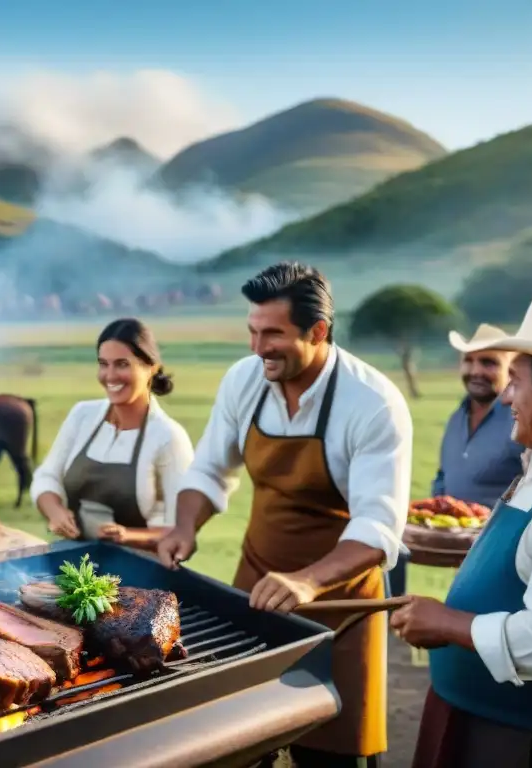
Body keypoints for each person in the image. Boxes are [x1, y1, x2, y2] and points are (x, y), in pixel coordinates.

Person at [158, 262, 413, 768]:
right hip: (257, 589)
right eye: (252, 332)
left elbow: (379, 528)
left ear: (318, 331)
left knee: (330, 755)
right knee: (240, 744)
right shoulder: (244, 380)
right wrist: (184, 526)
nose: (257, 348)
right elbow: (211, 468)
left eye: (272, 334)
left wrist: (306, 582)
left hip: (340, 605)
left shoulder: (373, 403)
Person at [392, 298, 532, 768]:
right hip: (475, 713)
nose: (506, 398)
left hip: (517, 737)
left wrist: (448, 624)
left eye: (513, 382)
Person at [29, 318, 194, 551]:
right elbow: (46, 477)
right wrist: (55, 512)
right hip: (74, 564)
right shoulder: (82, 416)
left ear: (151, 368)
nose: (110, 375)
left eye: (122, 364)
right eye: (103, 364)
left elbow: (181, 530)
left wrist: (127, 536)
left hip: (139, 572)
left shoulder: (168, 437)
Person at [431, 322, 525, 507]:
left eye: (488, 363)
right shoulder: (456, 418)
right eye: (468, 361)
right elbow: (443, 476)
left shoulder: (521, 420)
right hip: (450, 531)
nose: (475, 371)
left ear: (510, 370)